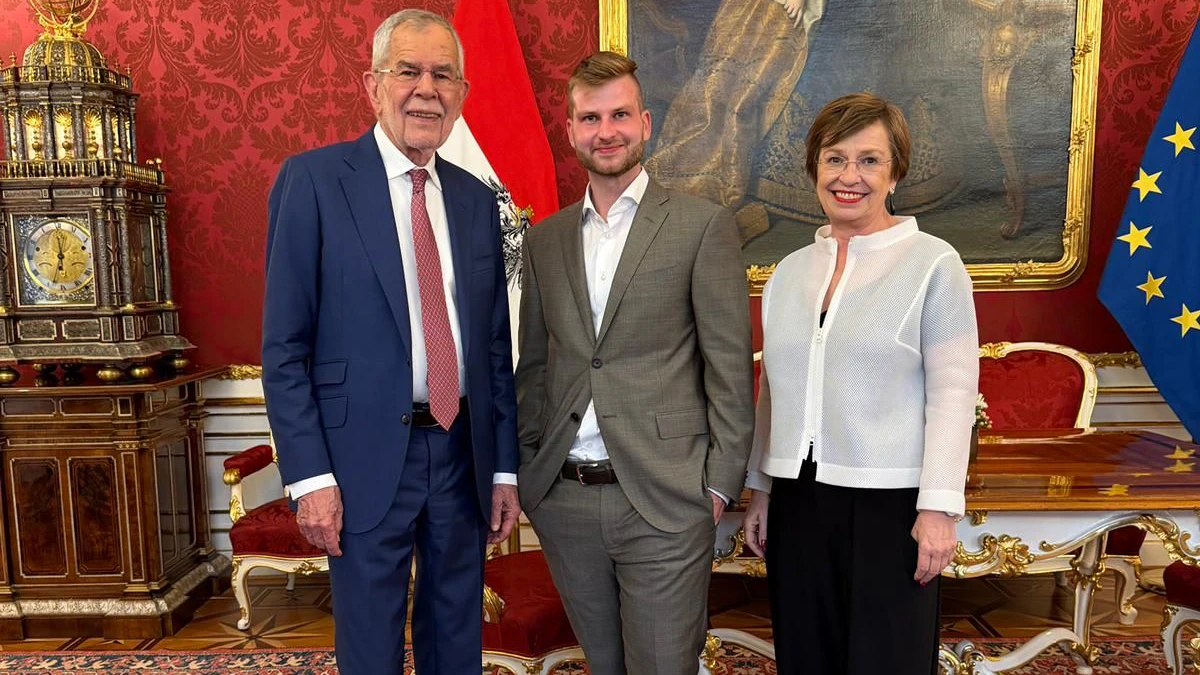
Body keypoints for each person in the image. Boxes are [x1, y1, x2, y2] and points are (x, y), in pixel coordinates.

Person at [261, 9, 519, 675]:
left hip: (461, 450)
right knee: (370, 649)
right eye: (409, 71)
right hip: (360, 460)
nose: (426, 89)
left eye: (443, 75)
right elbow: (284, 347)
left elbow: (492, 345)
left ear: (461, 93)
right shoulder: (314, 182)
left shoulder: (475, 199)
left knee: (456, 640)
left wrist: (503, 468)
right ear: (373, 84)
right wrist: (311, 477)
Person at [514, 52, 754, 675]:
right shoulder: (545, 237)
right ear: (571, 131)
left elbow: (727, 365)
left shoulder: (702, 226)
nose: (606, 130)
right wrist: (527, 468)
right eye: (590, 118)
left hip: (666, 496)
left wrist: (719, 484)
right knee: (604, 665)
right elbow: (536, 367)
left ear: (645, 123)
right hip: (565, 498)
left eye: (620, 114)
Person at [740, 92, 979, 675]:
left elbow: (953, 391)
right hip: (798, 502)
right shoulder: (789, 272)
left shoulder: (934, 263)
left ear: (895, 172)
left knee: (886, 662)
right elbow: (773, 386)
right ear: (814, 170)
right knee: (806, 657)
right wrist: (762, 489)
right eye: (835, 158)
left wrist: (940, 509)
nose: (850, 176)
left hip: (892, 508)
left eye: (869, 160)